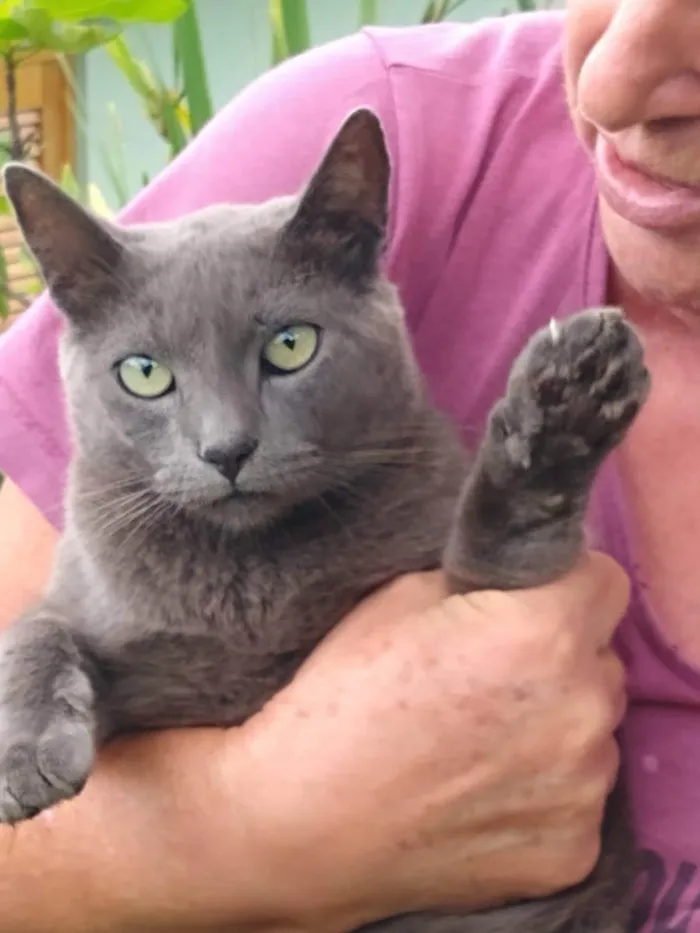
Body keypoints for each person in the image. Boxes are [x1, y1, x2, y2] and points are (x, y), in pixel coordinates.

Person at [0, 0, 693, 929]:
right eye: (146, 375)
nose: (224, 438)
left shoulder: (394, 462)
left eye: (286, 351)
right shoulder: (402, 110)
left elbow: (485, 638)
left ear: (371, 262)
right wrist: (261, 829)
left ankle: (525, 491)